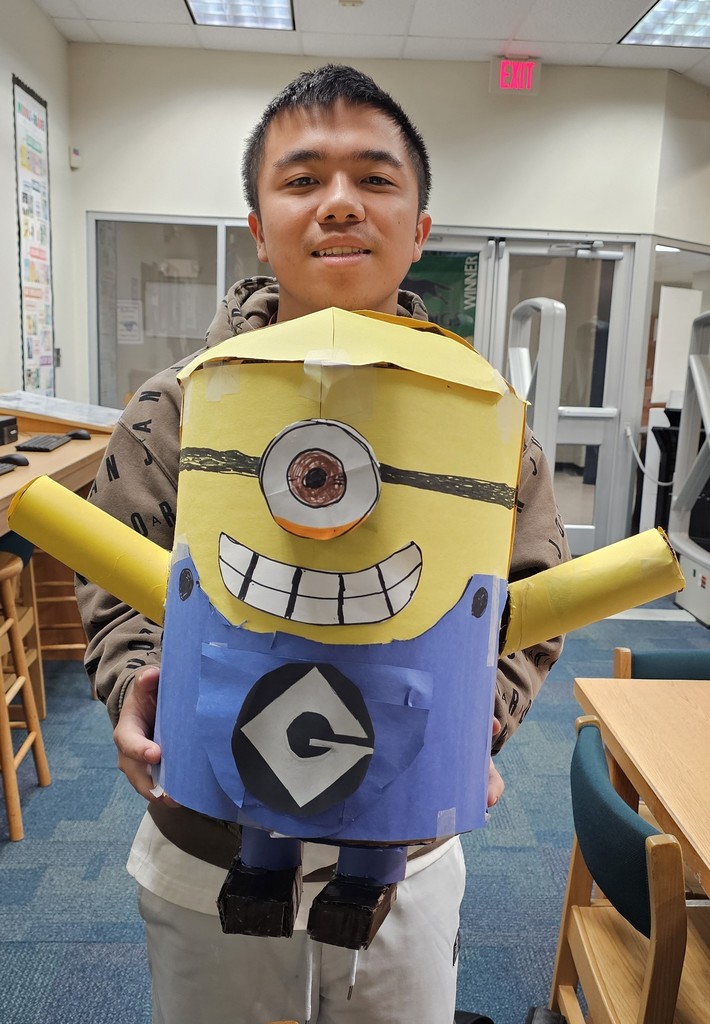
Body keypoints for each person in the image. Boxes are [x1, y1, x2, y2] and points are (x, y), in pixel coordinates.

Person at [76, 64, 569, 1024]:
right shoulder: (178, 404)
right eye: (303, 180)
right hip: (210, 844)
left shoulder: (484, 419)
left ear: (419, 227)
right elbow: (117, 574)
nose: (339, 204)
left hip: (404, 855)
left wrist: (483, 718)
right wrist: (134, 679)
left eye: (375, 179)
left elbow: (530, 588)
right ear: (259, 226)